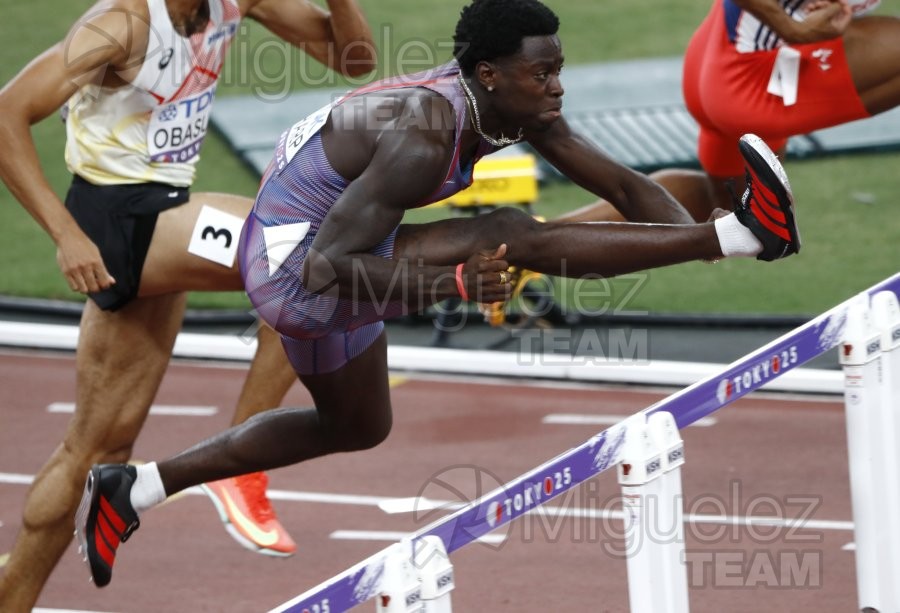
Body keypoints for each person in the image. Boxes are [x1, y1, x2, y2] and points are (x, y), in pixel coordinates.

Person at [74, 0, 801, 588]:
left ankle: (133, 487)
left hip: (335, 251)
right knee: (514, 232)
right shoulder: (425, 132)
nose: (557, 87)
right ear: (489, 73)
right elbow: (327, 266)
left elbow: (619, 186)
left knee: (356, 424)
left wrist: (702, 244)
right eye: (542, 73)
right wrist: (452, 281)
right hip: (297, 266)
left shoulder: (513, 107)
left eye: (559, 69)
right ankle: (741, 233)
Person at [0, 0, 375, 609]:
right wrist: (65, 234)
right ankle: (238, 468)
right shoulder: (121, 25)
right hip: (116, 222)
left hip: (166, 213)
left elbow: (353, 60)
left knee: (98, 447)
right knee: (307, 258)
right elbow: (7, 111)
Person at [557, 0, 897, 223]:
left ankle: (534, 244)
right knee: (758, 221)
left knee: (740, 215)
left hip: (718, 56)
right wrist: (791, 27)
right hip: (750, 78)